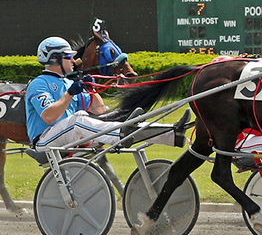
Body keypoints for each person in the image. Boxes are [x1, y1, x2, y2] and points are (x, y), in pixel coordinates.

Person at [25, 36, 190, 152]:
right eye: (69, 56)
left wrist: (91, 88)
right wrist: (69, 94)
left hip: (69, 137)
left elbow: (100, 111)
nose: (74, 61)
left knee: (117, 117)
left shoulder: (68, 83)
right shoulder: (39, 83)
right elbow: (48, 117)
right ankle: (120, 134)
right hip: (45, 140)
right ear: (54, 59)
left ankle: (172, 133)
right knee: (79, 119)